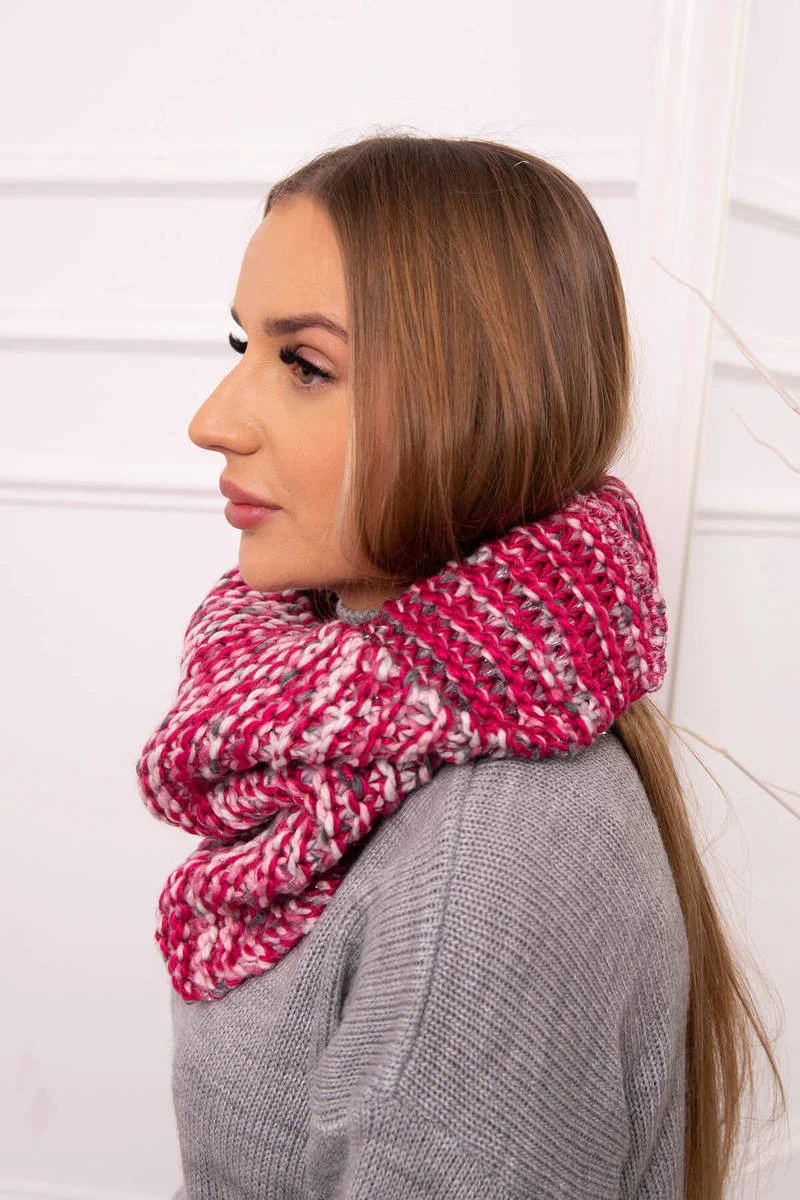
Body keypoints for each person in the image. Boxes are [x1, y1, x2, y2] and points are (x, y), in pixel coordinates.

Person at [137, 133, 785, 1199]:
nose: (213, 422)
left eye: (304, 365)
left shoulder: (491, 855)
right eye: (243, 344)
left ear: (473, 405)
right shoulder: (339, 753)